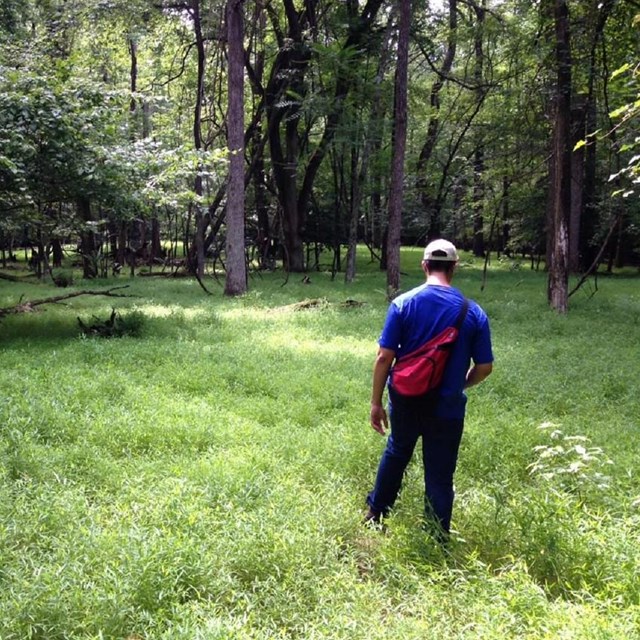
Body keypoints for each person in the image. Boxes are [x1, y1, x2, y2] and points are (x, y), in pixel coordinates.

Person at [365, 238, 493, 538]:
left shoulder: (403, 304)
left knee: (397, 450)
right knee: (440, 471)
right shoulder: (473, 313)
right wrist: (461, 383)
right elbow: (485, 367)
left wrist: (375, 402)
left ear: (424, 265)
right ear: (455, 268)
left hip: (405, 400)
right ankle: (436, 536)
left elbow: (384, 357)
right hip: (447, 408)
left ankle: (376, 513)